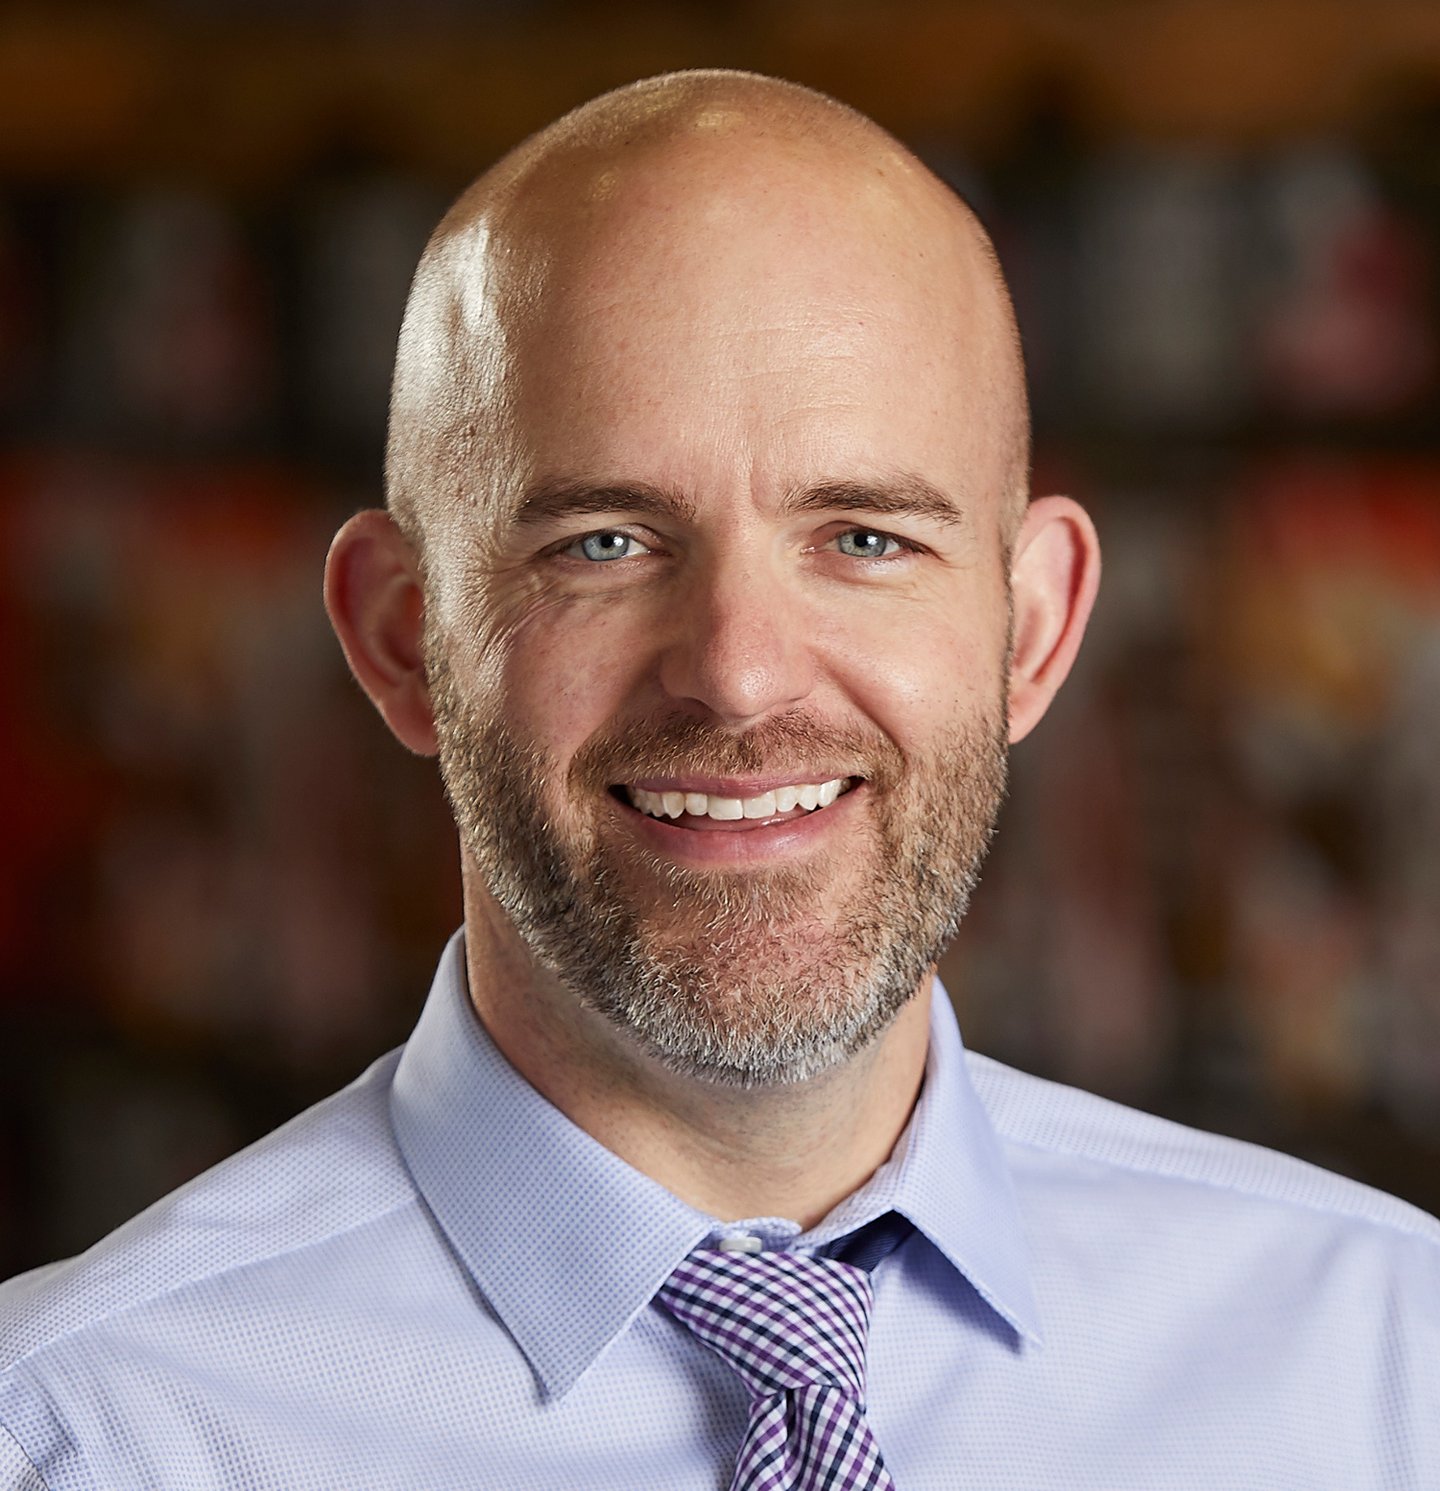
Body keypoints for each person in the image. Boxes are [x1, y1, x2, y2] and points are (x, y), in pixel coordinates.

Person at [1, 68, 1436, 1491]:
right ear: (402, 637)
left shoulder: (1383, 1368)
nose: (741, 675)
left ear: (1038, 630)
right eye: (604, 544)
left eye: (866, 538)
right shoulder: (86, 1434)